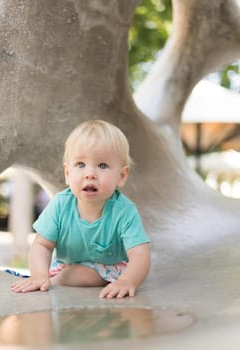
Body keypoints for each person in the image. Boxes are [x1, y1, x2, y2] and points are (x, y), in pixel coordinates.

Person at [10, 119, 151, 298]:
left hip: (112, 268)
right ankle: (54, 280)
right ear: (68, 174)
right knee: (75, 273)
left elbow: (140, 254)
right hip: (66, 266)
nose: (90, 174)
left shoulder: (124, 211)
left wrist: (128, 281)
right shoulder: (61, 205)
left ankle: (67, 279)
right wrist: (38, 275)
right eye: (81, 165)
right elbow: (42, 245)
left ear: (121, 176)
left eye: (102, 165)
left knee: (86, 274)